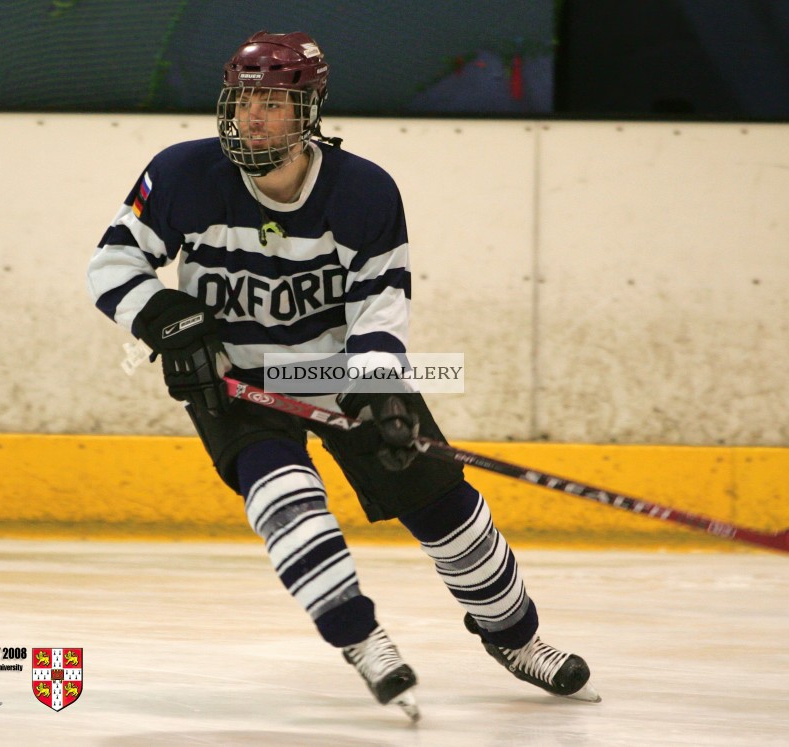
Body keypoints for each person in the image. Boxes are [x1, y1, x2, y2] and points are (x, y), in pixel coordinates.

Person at [86, 30, 599, 719]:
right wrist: (167, 320)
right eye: (243, 101)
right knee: (287, 501)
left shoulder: (363, 192)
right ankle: (364, 640)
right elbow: (112, 267)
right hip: (235, 379)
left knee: (446, 507)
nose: (253, 118)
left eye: (273, 104)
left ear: (308, 114)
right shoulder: (180, 174)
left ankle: (516, 638)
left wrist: (381, 386)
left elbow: (380, 305)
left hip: (333, 367)